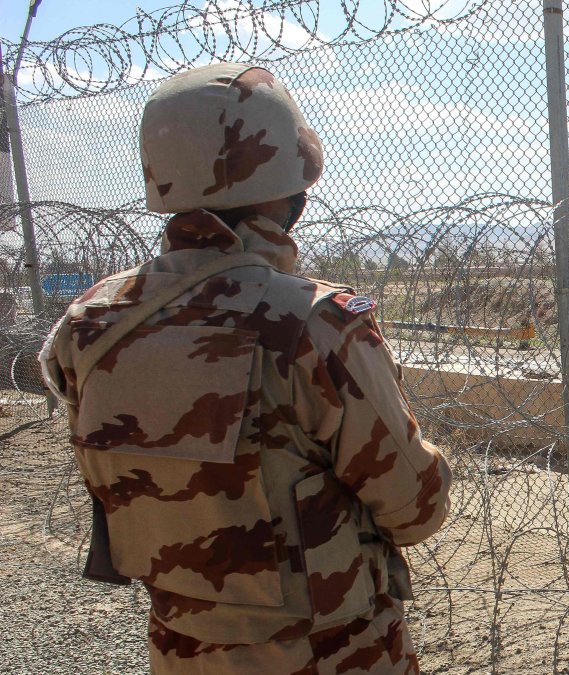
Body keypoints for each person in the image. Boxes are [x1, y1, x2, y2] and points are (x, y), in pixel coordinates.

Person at [39, 63, 452, 673]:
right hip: (329, 652)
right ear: (288, 178)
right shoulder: (310, 323)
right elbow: (415, 508)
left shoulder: (88, 323)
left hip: (181, 649)